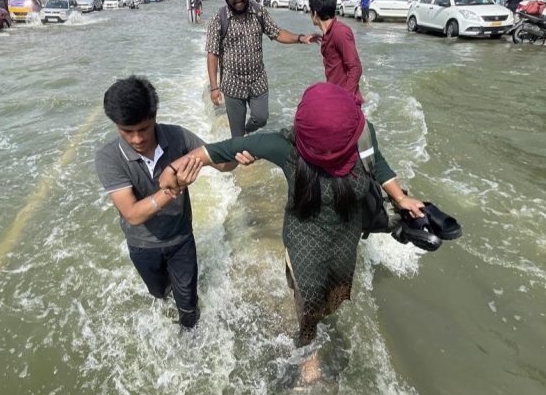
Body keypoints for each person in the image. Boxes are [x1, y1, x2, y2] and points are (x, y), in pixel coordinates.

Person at [159, 83, 423, 379]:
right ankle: (308, 354)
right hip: (303, 244)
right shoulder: (286, 147)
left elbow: (379, 165)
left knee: (333, 297)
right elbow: (219, 150)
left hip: (345, 240)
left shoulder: (360, 133)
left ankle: (315, 326)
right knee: (308, 303)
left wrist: (400, 198)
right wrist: (174, 168)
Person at [95, 76, 242, 331]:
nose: (137, 139)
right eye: (127, 131)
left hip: (181, 239)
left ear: (154, 116)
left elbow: (223, 164)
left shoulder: (178, 138)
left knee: (188, 304)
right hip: (142, 245)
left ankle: (190, 338)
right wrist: (173, 189)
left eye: (144, 128)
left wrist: (238, 151)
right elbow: (132, 214)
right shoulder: (108, 158)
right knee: (160, 293)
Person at [206, 0, 319, 137]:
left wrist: (300, 38)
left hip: (257, 80)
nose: (239, 0)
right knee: (237, 138)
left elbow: (277, 33)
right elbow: (212, 54)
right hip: (232, 83)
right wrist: (214, 88)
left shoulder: (259, 12)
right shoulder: (219, 19)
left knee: (261, 117)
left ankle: (247, 130)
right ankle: (241, 153)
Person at [308, 0, 363, 105]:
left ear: (315, 13)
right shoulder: (329, 33)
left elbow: (355, 68)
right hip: (335, 94)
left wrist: (345, 99)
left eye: (310, 11)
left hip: (345, 99)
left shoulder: (340, 32)